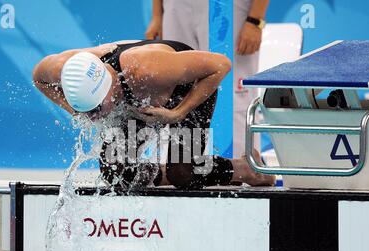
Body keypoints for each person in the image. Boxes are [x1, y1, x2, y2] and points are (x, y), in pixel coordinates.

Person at [33, 39, 275, 190]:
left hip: (184, 92)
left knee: (186, 175)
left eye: (95, 110)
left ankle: (244, 168)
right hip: (137, 103)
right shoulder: (66, 69)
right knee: (117, 175)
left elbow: (220, 65)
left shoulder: (145, 69)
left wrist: (178, 113)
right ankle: (171, 168)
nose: (92, 119)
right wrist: (72, 109)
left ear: (109, 87)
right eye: (85, 112)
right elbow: (38, 77)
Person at [145, 0, 270, 157]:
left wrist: (255, 20)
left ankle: (243, 166)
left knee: (231, 92)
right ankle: (183, 168)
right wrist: (157, 15)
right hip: (177, 7)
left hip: (226, 7)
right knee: (179, 87)